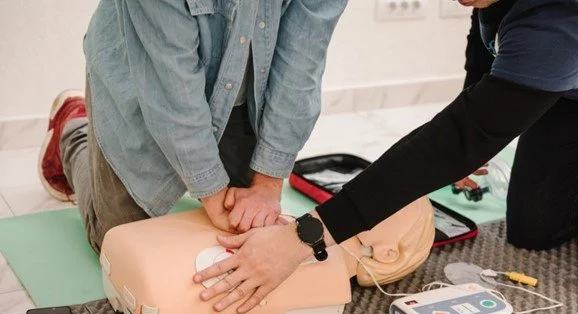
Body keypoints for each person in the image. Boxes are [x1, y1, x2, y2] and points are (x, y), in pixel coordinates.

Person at [194, 0, 578, 314]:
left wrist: (303, 238)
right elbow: (489, 34)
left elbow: (456, 140)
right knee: (535, 229)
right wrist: (480, 97)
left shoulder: (567, 19)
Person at [38, 0, 347, 253]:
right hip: (145, 72)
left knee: (247, 229)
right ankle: (74, 127)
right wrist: (212, 193)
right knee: (115, 244)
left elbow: (302, 61)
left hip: (244, 84)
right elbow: (170, 87)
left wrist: (267, 182)